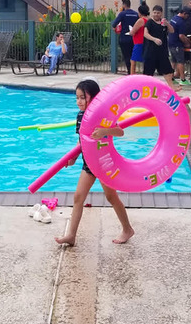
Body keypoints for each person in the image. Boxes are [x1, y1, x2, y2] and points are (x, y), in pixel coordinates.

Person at [55, 79, 134, 247]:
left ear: (94, 97)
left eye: (83, 97)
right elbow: (81, 140)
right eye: (77, 98)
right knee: (78, 197)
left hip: (104, 163)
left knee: (111, 197)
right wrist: (74, 157)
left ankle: (127, 229)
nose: (79, 101)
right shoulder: (80, 116)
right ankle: (71, 235)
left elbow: (120, 132)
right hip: (89, 163)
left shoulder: (103, 114)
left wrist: (106, 131)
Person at [143, 5, 178, 90]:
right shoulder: (150, 22)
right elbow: (145, 34)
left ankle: (171, 87)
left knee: (168, 71)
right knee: (148, 72)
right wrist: (154, 39)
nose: (156, 14)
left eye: (158, 13)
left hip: (162, 52)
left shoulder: (163, 23)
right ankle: (146, 88)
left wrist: (167, 24)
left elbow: (172, 30)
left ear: (161, 13)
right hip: (151, 52)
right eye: (154, 12)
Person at [112, 0, 140, 74]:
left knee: (127, 56)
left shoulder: (122, 14)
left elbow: (114, 24)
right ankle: (133, 71)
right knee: (133, 56)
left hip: (124, 38)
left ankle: (129, 72)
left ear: (124, 5)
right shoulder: (136, 14)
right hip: (134, 38)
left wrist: (115, 30)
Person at [169, 6, 191, 85]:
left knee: (173, 61)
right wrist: (187, 42)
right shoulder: (181, 22)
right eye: (187, 15)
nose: (187, 17)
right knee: (180, 61)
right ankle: (182, 79)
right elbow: (181, 36)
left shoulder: (173, 18)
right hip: (177, 44)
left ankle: (171, 78)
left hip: (171, 43)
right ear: (184, 14)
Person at [128, 2, 150, 74]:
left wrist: (130, 31)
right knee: (145, 60)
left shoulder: (141, 20)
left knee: (133, 60)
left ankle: (132, 75)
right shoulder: (150, 20)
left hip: (139, 42)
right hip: (146, 42)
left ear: (140, 13)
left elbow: (133, 31)